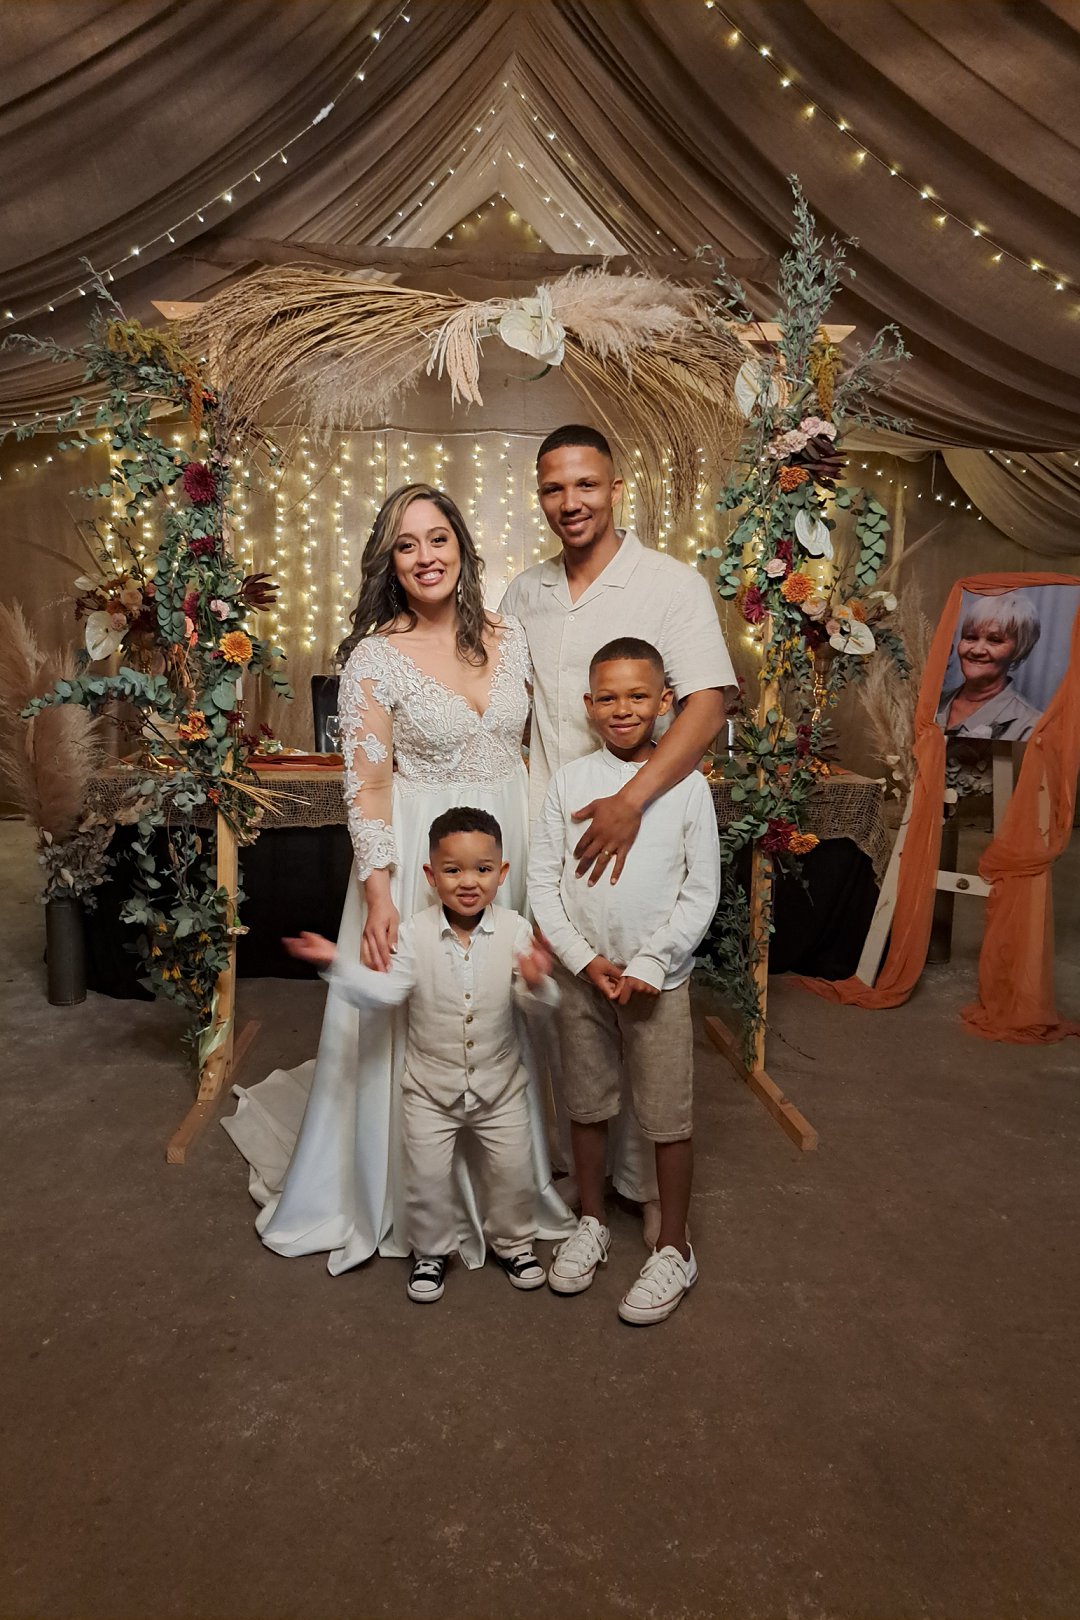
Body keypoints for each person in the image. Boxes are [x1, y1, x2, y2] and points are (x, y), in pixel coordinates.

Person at [223, 484, 573, 1273]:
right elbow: (369, 783)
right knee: (420, 1010)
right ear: (389, 563)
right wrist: (379, 890)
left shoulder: (511, 636)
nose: (425, 557)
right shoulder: (375, 658)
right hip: (416, 847)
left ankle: (504, 1184)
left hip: (504, 840)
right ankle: (414, 1196)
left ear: (462, 547)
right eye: (406, 545)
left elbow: (537, 748)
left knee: (496, 1003)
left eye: (438, 538)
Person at [501, 424, 735, 1232]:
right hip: (552, 828)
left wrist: (632, 799)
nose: (570, 502)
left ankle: (646, 1189)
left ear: (616, 488)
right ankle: (579, 1179)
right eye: (554, 487)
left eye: (586, 484)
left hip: (645, 819)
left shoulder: (671, 585)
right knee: (565, 1010)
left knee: (645, 1000)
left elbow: (707, 703)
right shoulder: (524, 592)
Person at [284, 808, 559, 1303]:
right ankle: (431, 1250)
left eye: (482, 869)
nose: (468, 882)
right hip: (429, 1091)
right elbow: (386, 992)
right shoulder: (413, 933)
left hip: (501, 1088)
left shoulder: (517, 930)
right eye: (453, 870)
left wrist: (538, 983)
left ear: (503, 873)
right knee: (426, 1179)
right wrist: (337, 964)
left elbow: (535, 1010)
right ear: (431, 876)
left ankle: (514, 1242)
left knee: (513, 1172)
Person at [528, 638, 722, 1324]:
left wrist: (651, 962)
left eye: (639, 695)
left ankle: (674, 1246)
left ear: (665, 701)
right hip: (583, 977)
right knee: (585, 1103)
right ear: (587, 705)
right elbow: (543, 885)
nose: (623, 709)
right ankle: (592, 1220)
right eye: (607, 697)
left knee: (668, 1114)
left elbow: (700, 892)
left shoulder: (688, 787)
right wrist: (582, 958)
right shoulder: (569, 783)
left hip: (656, 982)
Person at [936, 592, 1043, 742]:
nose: (977, 650)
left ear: (1018, 650)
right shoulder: (933, 703)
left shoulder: (1031, 726)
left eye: (995, 640)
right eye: (971, 637)